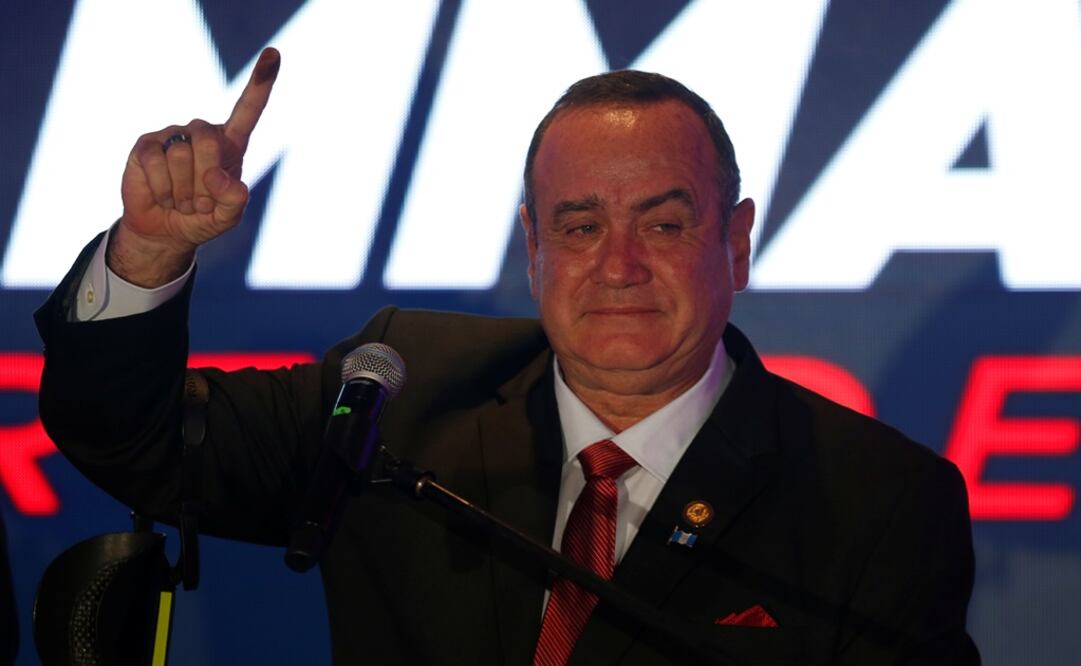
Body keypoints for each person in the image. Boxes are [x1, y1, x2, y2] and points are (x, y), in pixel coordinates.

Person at [36, 47, 979, 664]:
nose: (618, 265)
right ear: (532, 246)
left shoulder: (880, 504)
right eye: (579, 225)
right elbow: (135, 443)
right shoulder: (395, 393)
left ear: (734, 243)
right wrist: (148, 250)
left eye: (663, 223)